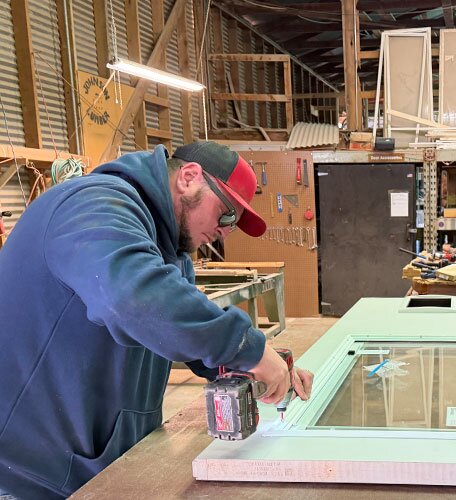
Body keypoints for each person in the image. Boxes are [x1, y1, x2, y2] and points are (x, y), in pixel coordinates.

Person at [0, 141, 313, 498]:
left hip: (92, 468)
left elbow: (180, 332)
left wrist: (262, 367)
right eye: (226, 214)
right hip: (27, 476)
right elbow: (131, 297)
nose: (225, 231)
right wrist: (248, 348)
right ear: (189, 177)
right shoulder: (94, 204)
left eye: (235, 225)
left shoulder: (170, 250)